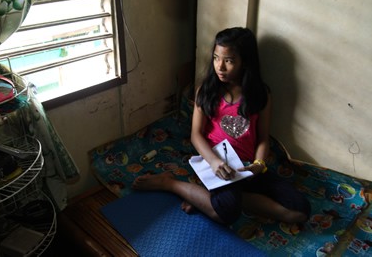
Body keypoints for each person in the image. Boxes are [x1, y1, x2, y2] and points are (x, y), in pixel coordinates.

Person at [133, 27, 311, 225]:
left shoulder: (260, 94)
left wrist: (258, 166)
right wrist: (214, 162)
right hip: (216, 163)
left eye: (229, 61)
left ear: (245, 62)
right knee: (226, 214)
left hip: (246, 167)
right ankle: (170, 183)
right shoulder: (207, 90)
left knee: (300, 210)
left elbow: (262, 138)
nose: (220, 67)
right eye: (216, 58)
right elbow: (196, 135)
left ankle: (203, 198)